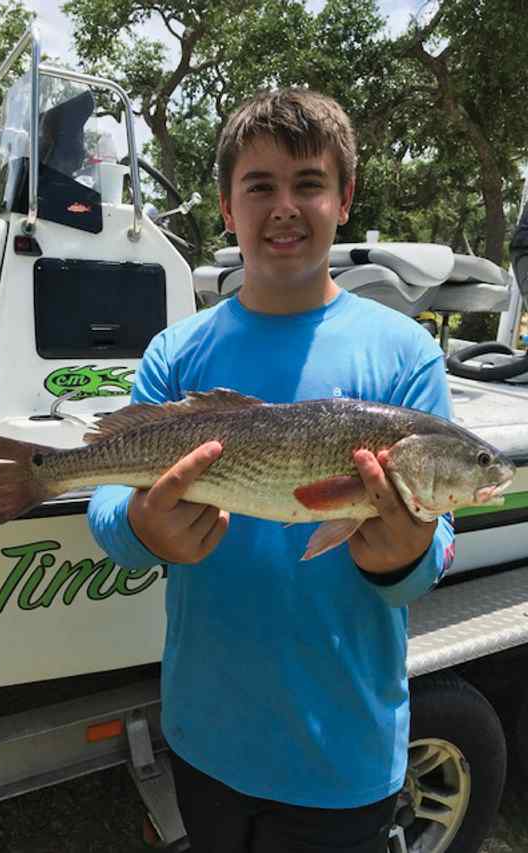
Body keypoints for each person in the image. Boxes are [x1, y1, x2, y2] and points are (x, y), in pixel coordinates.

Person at [88, 88, 455, 853]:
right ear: (227, 206)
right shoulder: (176, 353)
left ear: (344, 200)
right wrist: (143, 529)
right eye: (260, 186)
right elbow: (107, 510)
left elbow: (430, 550)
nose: (284, 206)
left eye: (309, 183)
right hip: (204, 736)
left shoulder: (405, 353)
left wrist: (408, 554)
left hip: (344, 748)